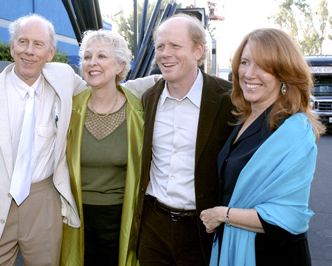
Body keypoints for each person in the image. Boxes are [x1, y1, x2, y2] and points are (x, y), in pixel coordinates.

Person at [0, 14, 155, 266]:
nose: (29, 51)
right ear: (12, 46)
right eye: (22, 42)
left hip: (45, 203)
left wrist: (166, 79)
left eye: (38, 44)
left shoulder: (62, 78)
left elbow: (108, 86)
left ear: (51, 52)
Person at [199, 28, 325, 266]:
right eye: (245, 62)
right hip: (233, 245)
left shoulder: (294, 130)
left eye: (263, 66)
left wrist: (222, 215)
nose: (249, 73)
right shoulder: (243, 119)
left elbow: (290, 217)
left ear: (284, 74)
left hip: (272, 255)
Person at [136, 13, 234, 265]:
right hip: (153, 227)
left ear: (198, 51)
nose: (164, 54)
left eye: (175, 46)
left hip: (204, 229)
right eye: (160, 46)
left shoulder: (227, 100)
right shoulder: (149, 99)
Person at [61, 29, 143, 266]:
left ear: (120, 66)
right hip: (74, 217)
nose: (92, 63)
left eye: (102, 56)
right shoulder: (68, 108)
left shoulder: (138, 111)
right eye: (87, 57)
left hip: (120, 218)